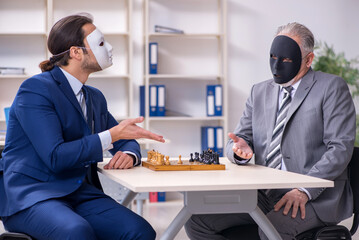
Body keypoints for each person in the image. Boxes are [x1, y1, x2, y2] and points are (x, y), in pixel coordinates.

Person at [0, 14, 165, 240]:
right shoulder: (35, 90)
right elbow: (55, 156)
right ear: (76, 52)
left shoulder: (94, 98)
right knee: (77, 232)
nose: (109, 48)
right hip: (33, 195)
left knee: (140, 231)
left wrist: (129, 152)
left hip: (79, 192)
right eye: (99, 43)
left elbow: (123, 137)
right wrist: (111, 136)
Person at [185, 22, 356, 240]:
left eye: (286, 59)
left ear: (308, 59)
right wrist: (239, 151)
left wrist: (304, 189)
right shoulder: (259, 91)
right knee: (196, 220)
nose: (276, 66)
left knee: (271, 228)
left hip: (314, 196)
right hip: (265, 193)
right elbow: (237, 140)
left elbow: (340, 148)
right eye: (273, 57)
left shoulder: (331, 88)